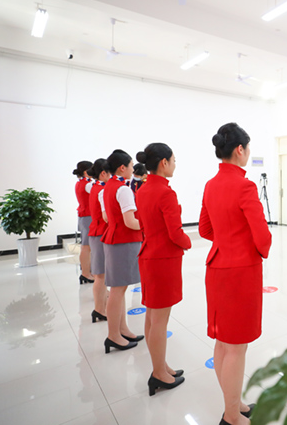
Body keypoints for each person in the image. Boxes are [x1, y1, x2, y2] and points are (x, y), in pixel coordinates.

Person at [200, 123, 271, 425]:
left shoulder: (210, 185)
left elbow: (205, 229)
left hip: (216, 268)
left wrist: (226, 241)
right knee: (237, 347)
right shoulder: (245, 186)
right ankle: (231, 416)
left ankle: (234, 403)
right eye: (248, 147)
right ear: (239, 150)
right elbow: (262, 237)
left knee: (222, 342)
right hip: (240, 273)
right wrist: (251, 247)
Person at [135, 143, 191, 396]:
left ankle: (161, 365)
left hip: (149, 255)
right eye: (173, 160)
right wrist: (188, 242)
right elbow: (175, 232)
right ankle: (158, 373)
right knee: (159, 320)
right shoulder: (165, 193)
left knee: (152, 316)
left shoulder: (143, 189)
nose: (175, 165)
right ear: (163, 163)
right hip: (163, 259)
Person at [101, 149, 145, 353]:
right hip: (123, 241)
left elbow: (109, 217)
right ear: (122, 167)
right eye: (131, 165)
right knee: (118, 291)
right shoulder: (123, 189)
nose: (133, 169)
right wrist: (148, 225)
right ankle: (113, 335)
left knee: (119, 289)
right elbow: (130, 222)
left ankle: (122, 329)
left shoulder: (109, 186)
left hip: (114, 239)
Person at [87, 158, 110, 323]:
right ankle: (99, 309)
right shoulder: (102, 190)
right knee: (101, 275)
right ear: (103, 173)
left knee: (100, 274)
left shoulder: (95, 187)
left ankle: (100, 307)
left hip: (97, 232)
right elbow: (106, 216)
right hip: (100, 233)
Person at [73, 160, 95, 285]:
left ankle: (87, 271)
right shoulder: (88, 185)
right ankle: (86, 273)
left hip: (84, 216)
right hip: (88, 216)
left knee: (86, 246)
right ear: (86, 172)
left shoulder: (80, 183)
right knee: (86, 247)